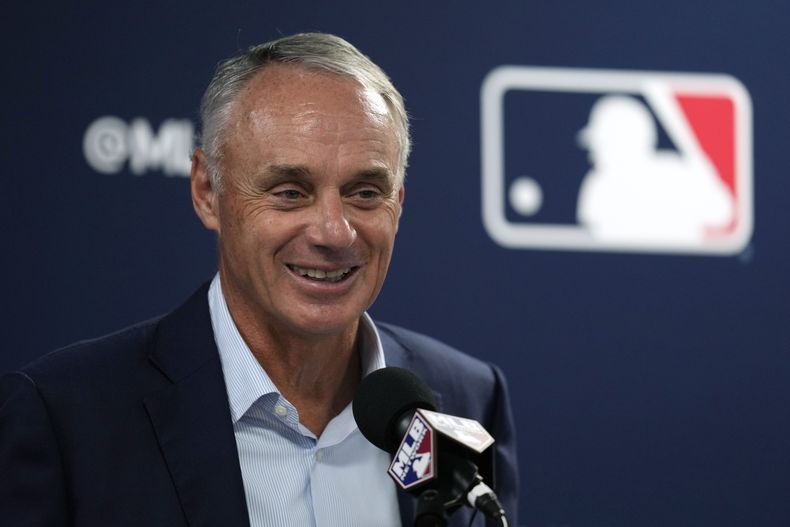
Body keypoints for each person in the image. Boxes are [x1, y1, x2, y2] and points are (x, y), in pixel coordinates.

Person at [0, 33, 518, 526]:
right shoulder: (65, 417)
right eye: (290, 192)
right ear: (207, 191)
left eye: (364, 192)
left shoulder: (469, 398)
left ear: (397, 203)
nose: (334, 232)